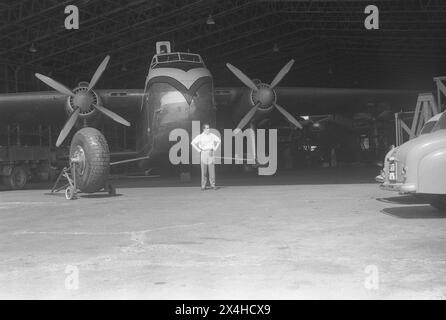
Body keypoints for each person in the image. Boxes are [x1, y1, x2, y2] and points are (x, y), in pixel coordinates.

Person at [191, 123, 221, 190]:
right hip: (203, 152)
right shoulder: (200, 136)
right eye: (207, 128)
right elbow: (192, 143)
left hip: (210, 152)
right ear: (204, 129)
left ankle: (213, 185)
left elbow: (219, 140)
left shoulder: (212, 135)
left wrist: (214, 149)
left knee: (211, 170)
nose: (208, 129)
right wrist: (199, 150)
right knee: (203, 170)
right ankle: (203, 185)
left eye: (209, 128)